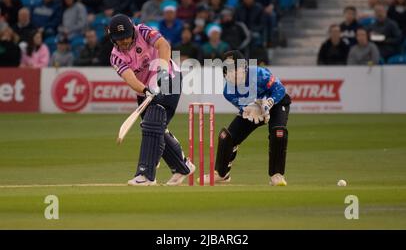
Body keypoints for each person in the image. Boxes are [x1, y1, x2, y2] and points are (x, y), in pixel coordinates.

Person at [108, 13, 194, 186]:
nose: (124, 41)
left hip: (170, 78)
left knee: (153, 123)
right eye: (119, 39)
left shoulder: (142, 31)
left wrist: (161, 72)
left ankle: (146, 175)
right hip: (145, 91)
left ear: (132, 30)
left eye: (126, 36)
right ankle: (182, 166)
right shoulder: (115, 56)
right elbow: (130, 78)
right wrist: (145, 90)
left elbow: (163, 45)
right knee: (156, 129)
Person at [200, 50, 291, 186]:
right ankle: (221, 174)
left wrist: (269, 103)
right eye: (229, 71)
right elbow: (245, 108)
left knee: (278, 133)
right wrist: (253, 110)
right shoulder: (228, 92)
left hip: (277, 103)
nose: (233, 75)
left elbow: (280, 89)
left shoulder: (260, 73)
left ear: (244, 68)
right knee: (226, 137)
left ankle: (277, 175)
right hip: (254, 109)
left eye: (236, 70)